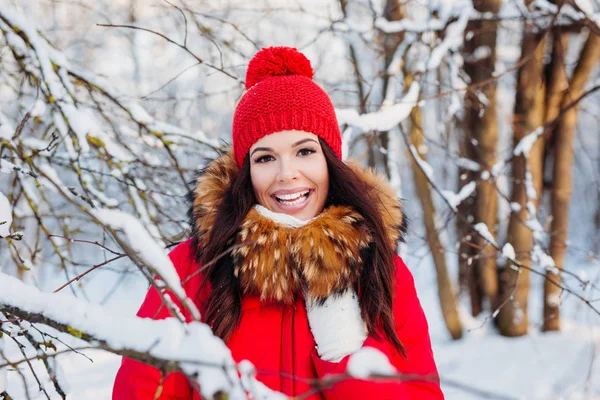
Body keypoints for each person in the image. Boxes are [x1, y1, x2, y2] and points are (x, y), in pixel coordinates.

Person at [112, 46, 444, 399]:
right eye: (266, 157)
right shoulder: (192, 269)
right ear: (247, 172)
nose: (287, 174)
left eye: (304, 151)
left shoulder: (381, 270)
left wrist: (343, 351)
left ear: (330, 160)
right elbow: (144, 389)